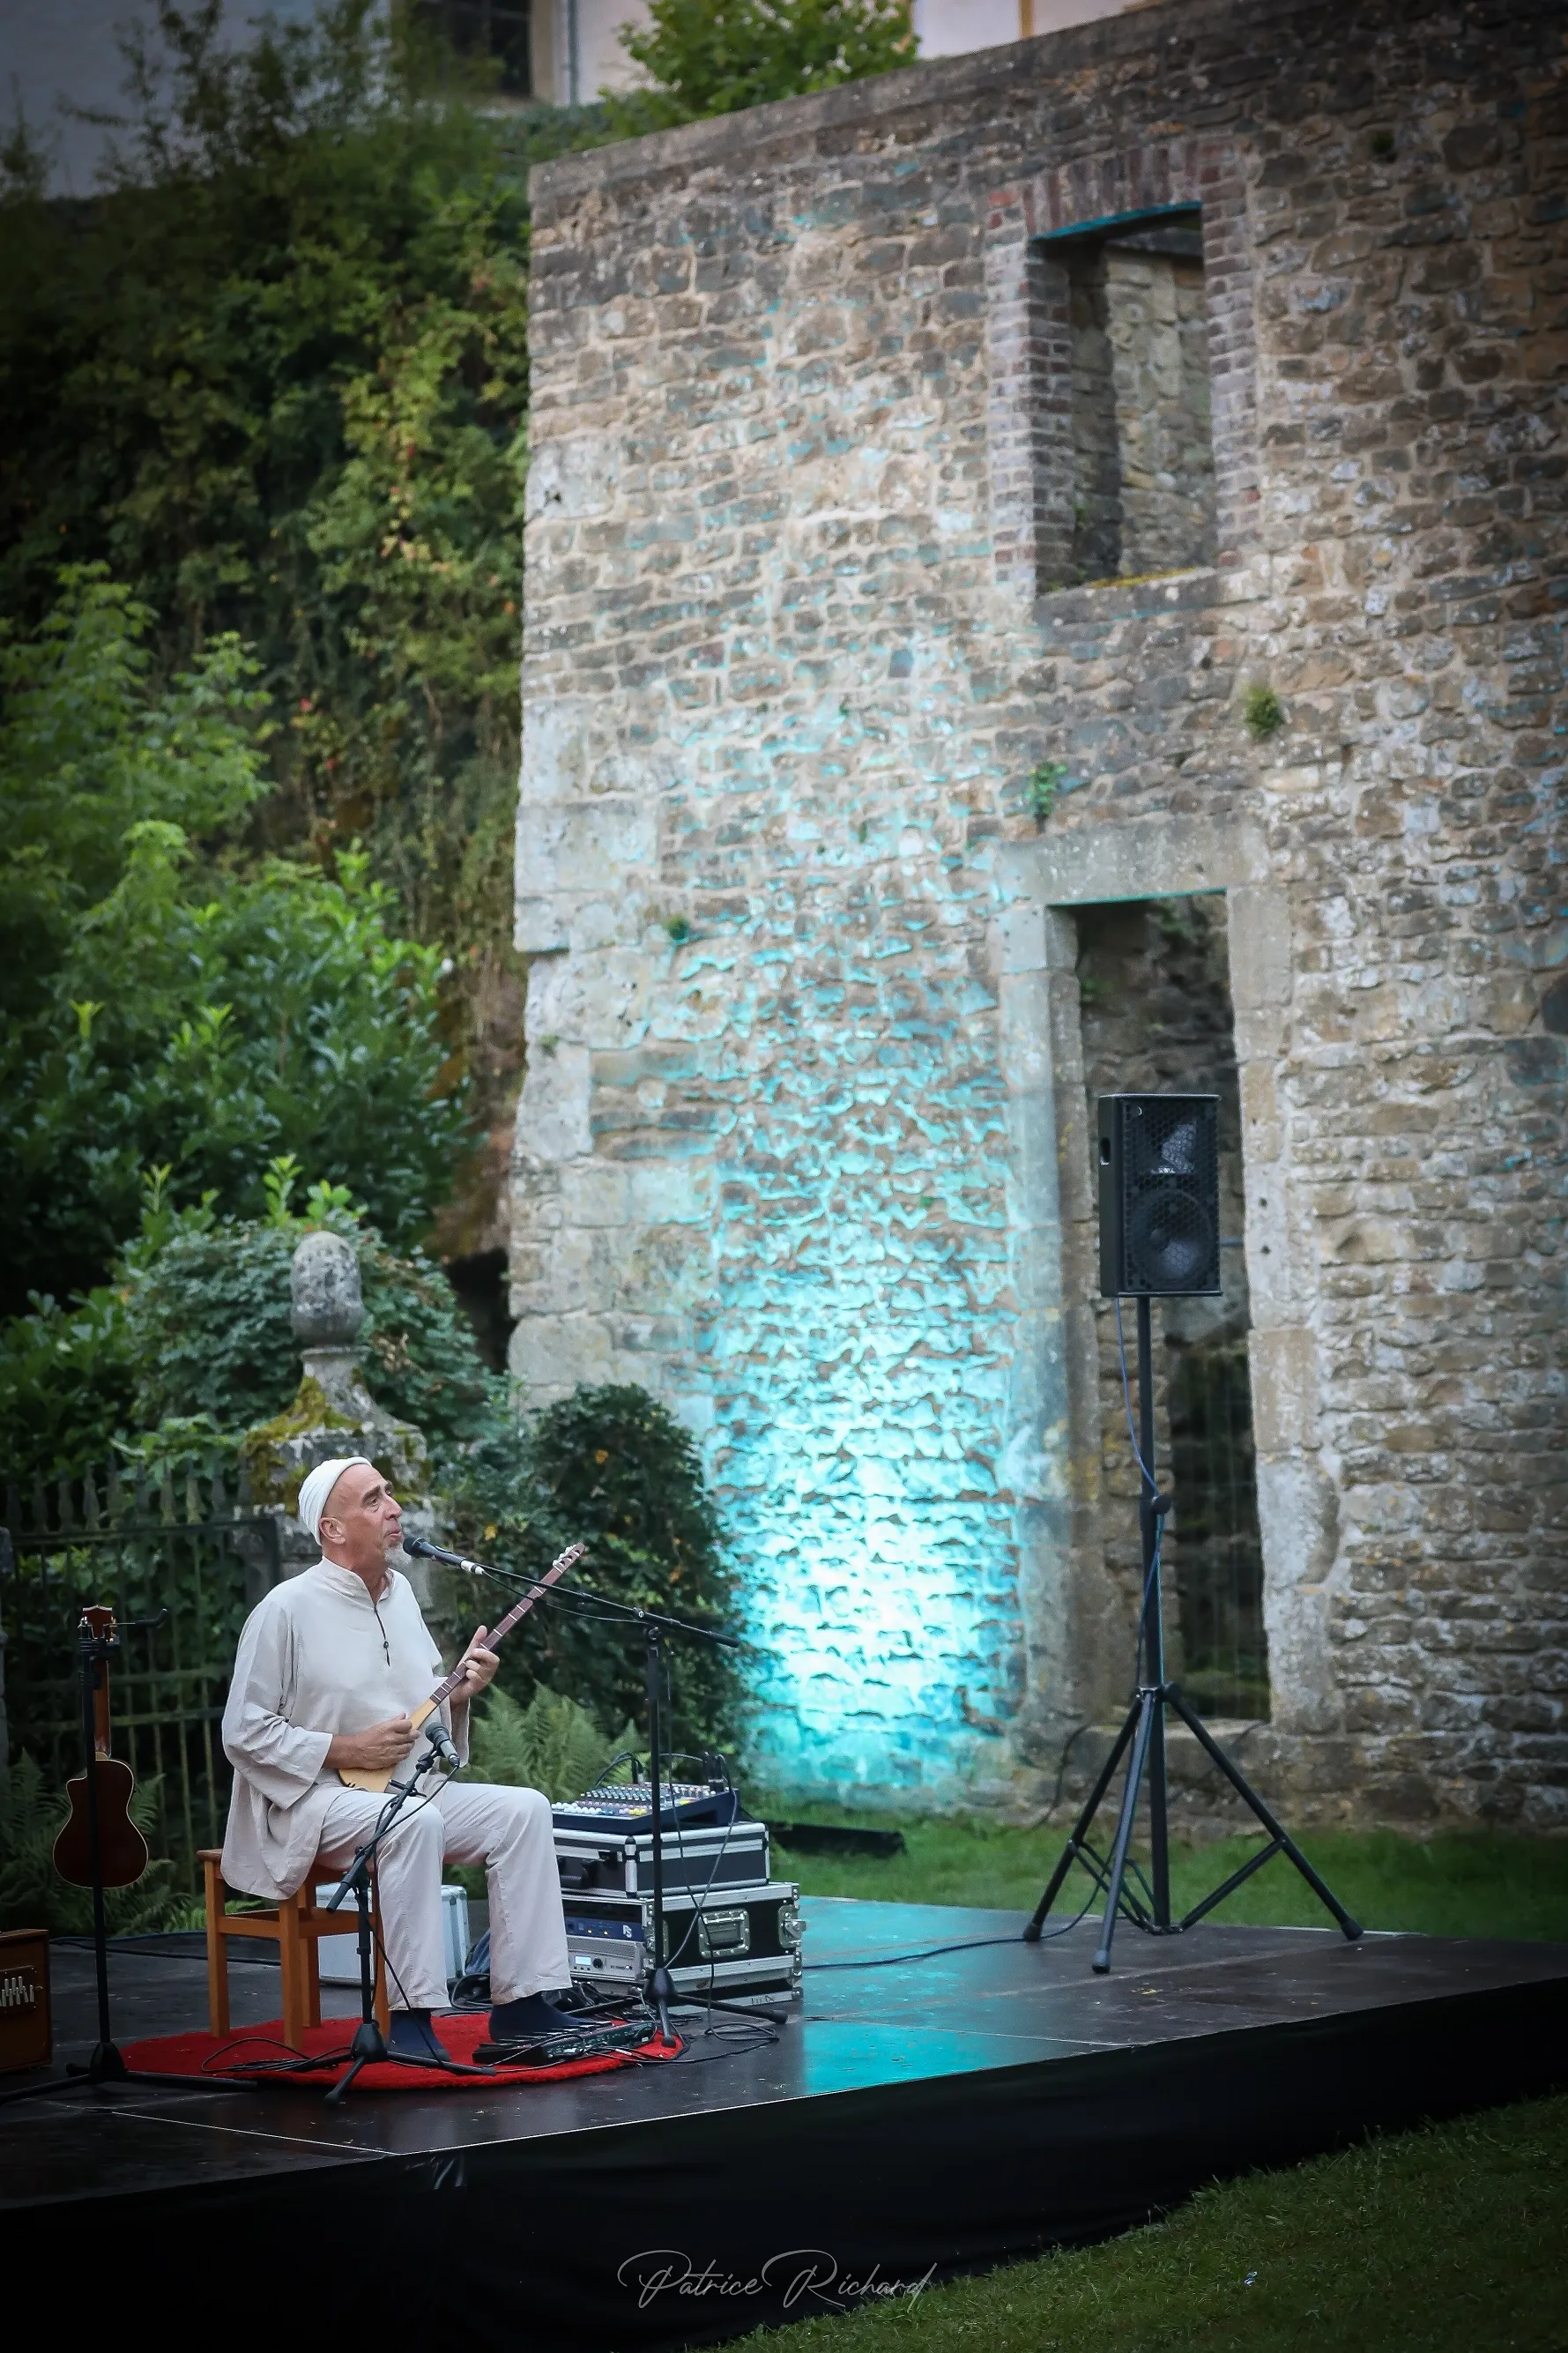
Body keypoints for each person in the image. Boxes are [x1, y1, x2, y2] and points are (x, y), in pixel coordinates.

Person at [220, 1453, 575, 2059]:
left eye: (389, 1492)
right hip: (314, 1802)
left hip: (405, 1790)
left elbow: (419, 1704)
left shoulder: (401, 1593)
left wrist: (458, 1695)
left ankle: (523, 2002)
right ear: (331, 1528)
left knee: (523, 1810)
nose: (394, 1507)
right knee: (415, 1822)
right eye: (373, 1499)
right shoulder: (284, 1609)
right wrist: (344, 1747)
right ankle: (410, 2017)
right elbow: (243, 1731)